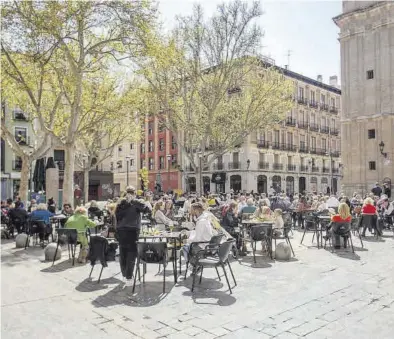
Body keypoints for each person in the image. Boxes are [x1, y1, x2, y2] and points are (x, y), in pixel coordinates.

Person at [115, 186, 151, 286]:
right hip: (132, 230)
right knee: (132, 253)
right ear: (134, 193)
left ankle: (124, 276)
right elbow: (148, 210)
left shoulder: (121, 203)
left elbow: (116, 216)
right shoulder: (136, 202)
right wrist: (145, 201)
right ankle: (129, 278)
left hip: (121, 230)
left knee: (123, 253)